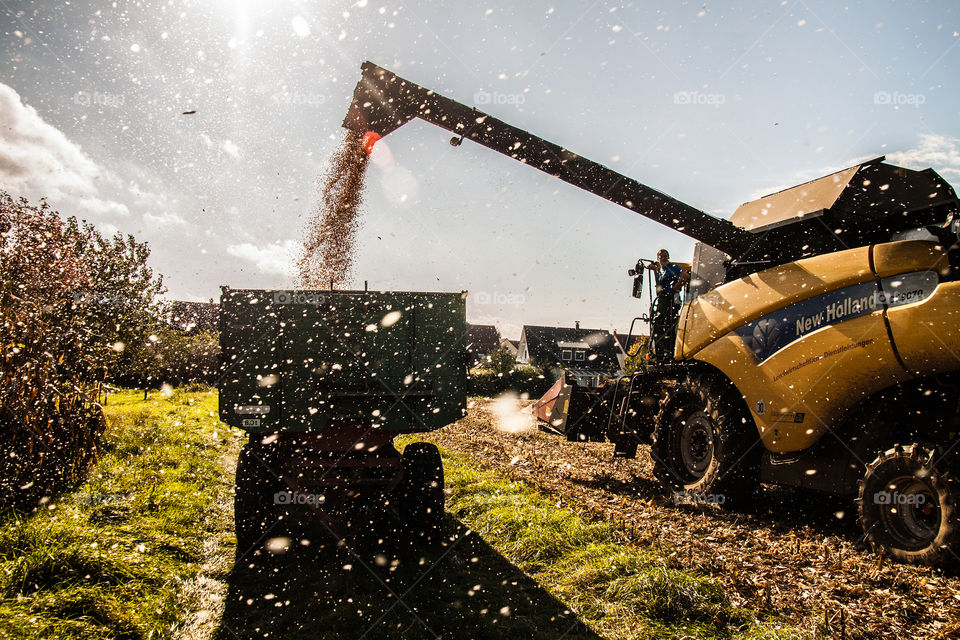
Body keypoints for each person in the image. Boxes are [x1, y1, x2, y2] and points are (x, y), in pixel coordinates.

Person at [647, 249, 689, 360]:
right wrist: (655, 270)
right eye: (661, 256)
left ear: (668, 257)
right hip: (662, 301)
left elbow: (686, 277)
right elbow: (659, 284)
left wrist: (676, 286)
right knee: (658, 325)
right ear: (658, 258)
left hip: (670, 301)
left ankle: (669, 351)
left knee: (666, 325)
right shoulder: (661, 270)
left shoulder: (673, 267)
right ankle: (661, 352)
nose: (663, 257)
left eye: (665, 255)